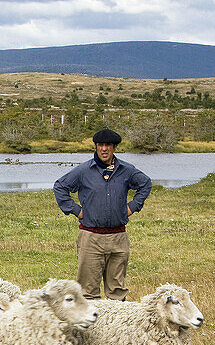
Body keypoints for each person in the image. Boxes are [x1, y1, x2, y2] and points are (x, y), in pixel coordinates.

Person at [53, 127, 152, 301]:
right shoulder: (83, 171)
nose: (104, 149)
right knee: (87, 292)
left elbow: (145, 184)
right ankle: (90, 328)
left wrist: (133, 206)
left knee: (117, 291)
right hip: (91, 238)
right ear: (96, 147)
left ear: (114, 148)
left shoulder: (127, 171)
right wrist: (77, 210)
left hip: (118, 238)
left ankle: (117, 327)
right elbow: (60, 187)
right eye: (100, 145)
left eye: (108, 145)